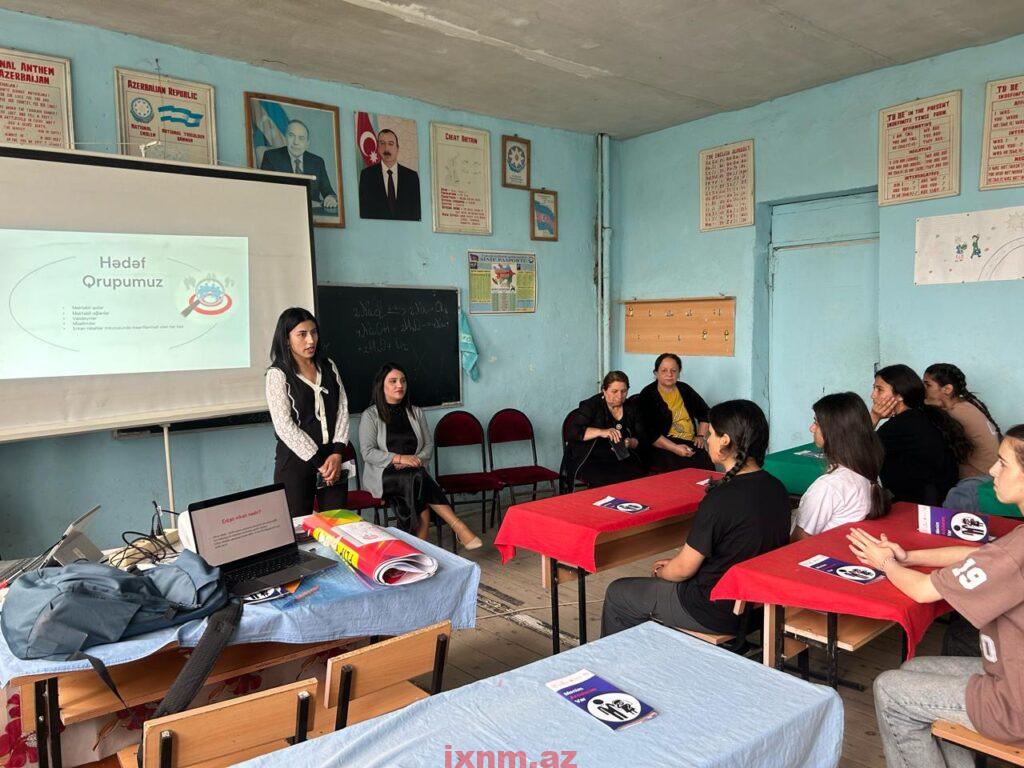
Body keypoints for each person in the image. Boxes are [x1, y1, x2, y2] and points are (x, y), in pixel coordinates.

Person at [848, 425, 1024, 768]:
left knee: (890, 690)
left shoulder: (1017, 551)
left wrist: (884, 562)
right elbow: (983, 555)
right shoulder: (1016, 542)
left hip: (1013, 705)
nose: (992, 470)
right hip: (1008, 672)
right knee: (914, 668)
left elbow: (922, 590)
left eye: (1003, 463)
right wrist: (908, 557)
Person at [600, 400, 791, 637]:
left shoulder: (720, 498)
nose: (707, 440)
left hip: (711, 609)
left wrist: (663, 572)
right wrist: (676, 564)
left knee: (618, 592)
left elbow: (682, 570)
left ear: (725, 440)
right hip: (760, 608)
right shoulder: (777, 488)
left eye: (711, 433)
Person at [359, 363, 481, 548]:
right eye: (393, 381)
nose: (399, 385)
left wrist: (414, 461)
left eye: (403, 381)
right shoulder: (370, 415)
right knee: (418, 480)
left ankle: (418, 549)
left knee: (417, 484)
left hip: (414, 472)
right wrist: (400, 458)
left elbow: (428, 446)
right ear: (381, 385)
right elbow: (367, 452)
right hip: (385, 475)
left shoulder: (415, 412)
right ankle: (457, 526)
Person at [265, 307, 349, 517]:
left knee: (337, 524)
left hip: (333, 459)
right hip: (295, 462)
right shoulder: (278, 374)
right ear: (286, 339)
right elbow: (284, 426)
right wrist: (319, 461)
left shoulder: (328, 366)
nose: (311, 340)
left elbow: (342, 409)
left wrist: (337, 452)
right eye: (302, 334)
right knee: (297, 525)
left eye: (314, 332)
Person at [792, 392, 890, 539]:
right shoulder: (869, 473)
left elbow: (798, 541)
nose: (811, 428)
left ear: (834, 432)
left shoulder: (828, 487)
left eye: (816, 423)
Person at [870, 364, 968, 505]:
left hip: (918, 506)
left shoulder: (900, 426)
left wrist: (874, 417)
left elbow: (855, 454)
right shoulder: (923, 415)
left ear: (899, 395)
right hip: (938, 500)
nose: (873, 395)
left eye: (879, 389)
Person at [923, 363, 1001, 511]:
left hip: (979, 483)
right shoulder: (968, 404)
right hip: (991, 477)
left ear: (947, 389)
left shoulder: (955, 414)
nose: (923, 389)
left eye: (928, 385)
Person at [560, 371, 646, 490]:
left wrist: (630, 442)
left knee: (638, 476)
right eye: (614, 391)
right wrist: (602, 432)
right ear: (604, 390)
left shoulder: (631, 408)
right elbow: (573, 432)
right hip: (591, 457)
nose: (620, 396)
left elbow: (642, 438)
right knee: (607, 480)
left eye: (624, 391)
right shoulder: (591, 405)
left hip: (621, 456)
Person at [635, 353, 714, 473]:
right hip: (664, 446)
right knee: (682, 472)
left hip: (690, 442)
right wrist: (675, 448)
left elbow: (705, 413)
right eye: (664, 370)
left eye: (673, 370)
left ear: (679, 372)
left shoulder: (684, 389)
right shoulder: (648, 395)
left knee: (707, 469)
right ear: (656, 373)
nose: (669, 374)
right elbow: (649, 433)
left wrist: (700, 436)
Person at [260, 119, 339, 210]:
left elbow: (329, 192)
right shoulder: (271, 157)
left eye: (301, 138)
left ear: (307, 143)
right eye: (291, 136)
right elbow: (265, 192)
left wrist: (330, 198)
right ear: (285, 138)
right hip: (280, 211)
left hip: (311, 214)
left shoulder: (317, 162)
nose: (296, 142)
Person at [358, 128, 421, 220]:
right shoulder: (367, 175)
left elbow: (417, 213)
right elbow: (364, 212)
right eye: (382, 143)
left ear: (397, 148)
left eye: (390, 144)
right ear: (378, 148)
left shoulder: (411, 177)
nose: (386, 149)